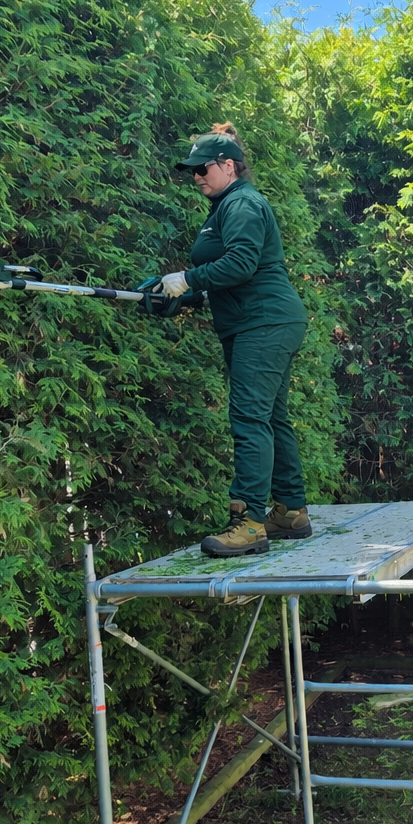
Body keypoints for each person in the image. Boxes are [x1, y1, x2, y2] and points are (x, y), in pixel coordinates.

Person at [158, 123, 312, 557]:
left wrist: (188, 279)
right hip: (262, 321)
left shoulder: (242, 202)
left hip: (262, 323)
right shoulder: (227, 205)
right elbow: (231, 271)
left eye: (202, 168)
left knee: (248, 418)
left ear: (228, 165)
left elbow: (242, 264)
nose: (196, 177)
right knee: (270, 417)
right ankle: (290, 512)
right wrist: (191, 293)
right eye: (191, 171)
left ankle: (248, 524)